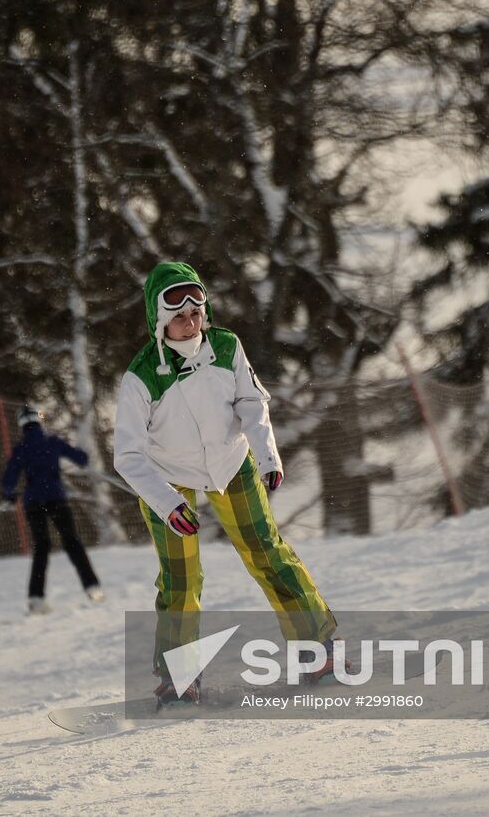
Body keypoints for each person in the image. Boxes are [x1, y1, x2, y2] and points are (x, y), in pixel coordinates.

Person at [112, 262, 345, 706]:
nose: (190, 320)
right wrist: (165, 504)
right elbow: (127, 455)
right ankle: (180, 676)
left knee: (266, 551)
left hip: (230, 463)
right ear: (160, 319)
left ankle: (319, 650)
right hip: (169, 480)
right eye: (178, 314)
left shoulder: (226, 347)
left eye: (196, 310)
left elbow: (251, 402)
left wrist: (266, 454)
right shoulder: (141, 376)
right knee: (181, 578)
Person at [1, 406, 105, 614]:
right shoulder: (52, 442)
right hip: (57, 498)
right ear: (38, 422)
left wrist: (10, 492)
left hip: (33, 502)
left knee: (42, 547)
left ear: (22, 425)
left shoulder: (21, 448)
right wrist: (83, 459)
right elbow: (81, 458)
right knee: (72, 542)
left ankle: (36, 598)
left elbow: (9, 478)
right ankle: (92, 587)